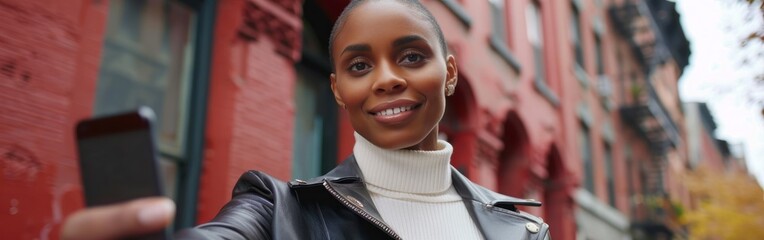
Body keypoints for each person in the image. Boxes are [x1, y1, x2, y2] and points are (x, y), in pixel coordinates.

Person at [61, 0, 550, 239]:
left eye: (411, 57)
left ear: (448, 74)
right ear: (337, 89)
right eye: (359, 66)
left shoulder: (521, 230)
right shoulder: (277, 210)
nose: (385, 80)